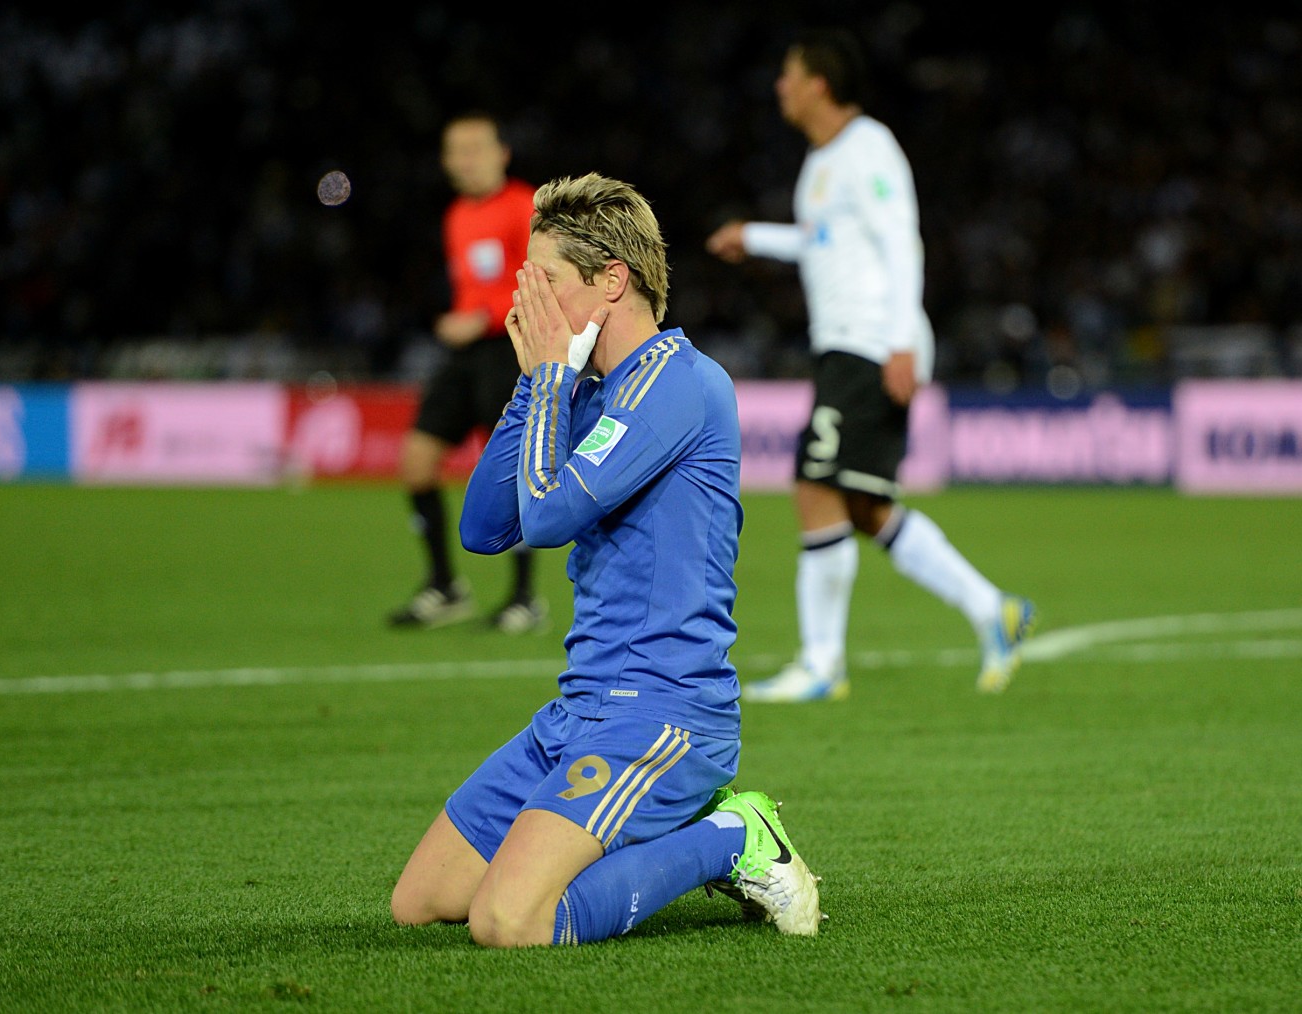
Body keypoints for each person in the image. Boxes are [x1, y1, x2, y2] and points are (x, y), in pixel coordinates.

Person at [390, 172, 824, 947]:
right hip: (578, 713)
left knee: (507, 921)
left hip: (662, 714)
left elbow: (549, 518)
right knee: (422, 901)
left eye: (545, 280)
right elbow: (486, 530)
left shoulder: (683, 385)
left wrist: (551, 378)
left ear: (611, 281)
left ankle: (733, 835)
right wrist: (535, 388)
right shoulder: (583, 392)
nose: (526, 302)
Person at [706, 28, 1037, 701]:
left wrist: (902, 342)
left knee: (813, 485)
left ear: (819, 83)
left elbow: (899, 241)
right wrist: (756, 236)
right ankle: (991, 608)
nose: (780, 87)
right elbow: (823, 241)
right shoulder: (824, 160)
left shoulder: (868, 147)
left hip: (870, 340)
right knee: (860, 503)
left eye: (789, 75)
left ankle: (822, 665)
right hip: (849, 340)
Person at [389, 112, 547, 634]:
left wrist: (480, 316)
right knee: (417, 461)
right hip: (467, 357)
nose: (465, 159)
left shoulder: (525, 207)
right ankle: (444, 585)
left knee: (509, 474)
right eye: (456, 150)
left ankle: (525, 597)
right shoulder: (457, 215)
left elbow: (543, 280)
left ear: (503, 153)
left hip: (509, 347)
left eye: (476, 148)